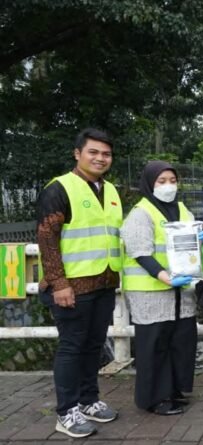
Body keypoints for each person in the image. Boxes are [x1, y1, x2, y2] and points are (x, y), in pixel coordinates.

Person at [37, 128, 122, 438]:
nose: (100, 158)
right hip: (71, 288)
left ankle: (89, 400)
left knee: (93, 345)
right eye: (94, 152)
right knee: (72, 347)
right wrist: (59, 284)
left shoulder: (110, 191)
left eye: (106, 154)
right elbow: (47, 239)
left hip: (104, 283)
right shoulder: (59, 189)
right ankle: (67, 411)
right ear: (78, 154)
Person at [121, 161, 203, 416]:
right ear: (149, 183)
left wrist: (200, 239)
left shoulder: (181, 209)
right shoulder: (141, 213)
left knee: (180, 342)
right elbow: (140, 252)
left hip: (181, 291)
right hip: (151, 291)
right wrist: (165, 277)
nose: (169, 186)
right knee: (154, 344)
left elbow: (191, 239)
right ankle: (154, 398)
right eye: (162, 181)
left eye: (172, 181)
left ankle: (174, 390)